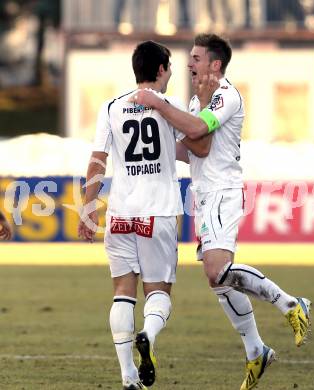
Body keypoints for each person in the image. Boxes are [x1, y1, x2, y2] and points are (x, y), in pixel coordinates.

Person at [130, 33, 311, 390]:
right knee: (220, 284)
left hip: (223, 192)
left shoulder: (226, 96)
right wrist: (148, 147)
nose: (189, 63)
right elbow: (196, 147)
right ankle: (256, 350)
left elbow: (197, 131)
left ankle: (291, 303)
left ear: (215, 64)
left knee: (219, 271)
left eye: (196, 58)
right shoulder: (203, 99)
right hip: (204, 195)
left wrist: (159, 106)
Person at [78, 40, 209, 390]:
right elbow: (200, 142)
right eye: (170, 68)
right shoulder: (169, 106)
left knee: (122, 292)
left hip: (120, 214)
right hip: (159, 212)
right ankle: (147, 335)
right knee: (159, 292)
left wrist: (88, 208)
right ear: (162, 70)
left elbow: (97, 161)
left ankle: (127, 376)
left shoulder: (111, 107)